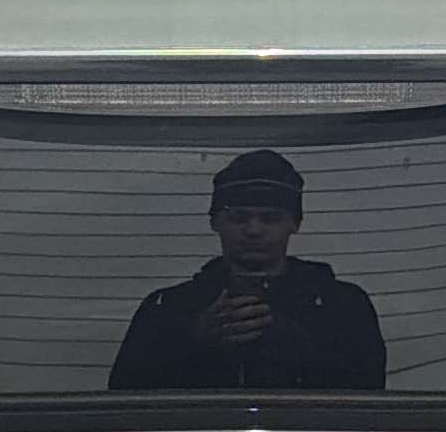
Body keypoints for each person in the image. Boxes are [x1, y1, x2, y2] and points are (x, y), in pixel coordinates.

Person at [108, 150, 387, 394]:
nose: (254, 230)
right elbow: (125, 399)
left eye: (270, 218)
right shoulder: (167, 308)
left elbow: (368, 396)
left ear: (295, 223)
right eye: (238, 217)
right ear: (215, 222)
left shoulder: (344, 306)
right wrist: (193, 341)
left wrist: (294, 343)